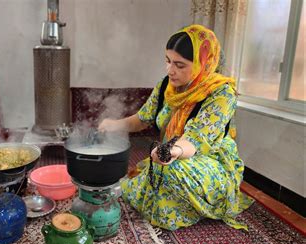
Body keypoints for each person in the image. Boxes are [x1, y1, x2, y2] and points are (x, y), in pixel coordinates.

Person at [98, 24, 254, 230]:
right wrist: (113, 125)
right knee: (146, 180)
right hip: (172, 153)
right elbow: (143, 118)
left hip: (209, 160)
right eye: (168, 61)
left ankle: (200, 202)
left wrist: (174, 150)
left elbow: (194, 141)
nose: (170, 70)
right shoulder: (166, 85)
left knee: (169, 170)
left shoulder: (221, 93)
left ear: (204, 63)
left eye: (180, 65)